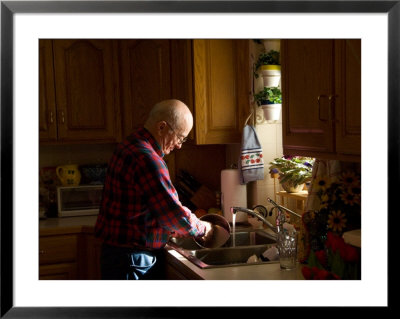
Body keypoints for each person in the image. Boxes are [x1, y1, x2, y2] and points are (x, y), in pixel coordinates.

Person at [94, 99, 213, 280]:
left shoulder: (130, 145)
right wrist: (204, 228)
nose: (180, 145)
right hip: (133, 260)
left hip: (118, 255)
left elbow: (143, 208)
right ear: (162, 127)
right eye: (180, 137)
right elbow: (172, 214)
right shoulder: (147, 159)